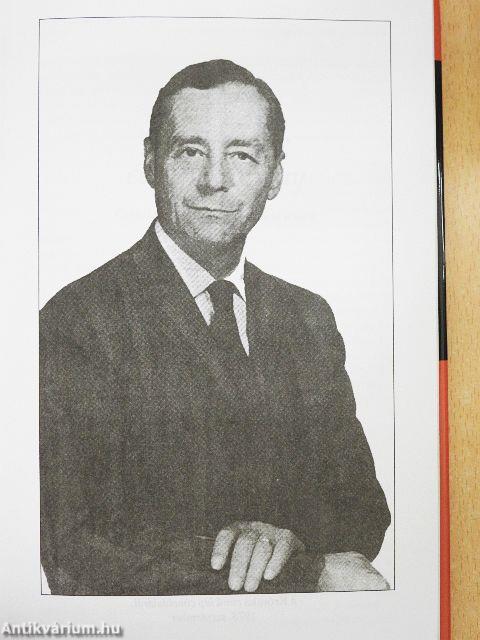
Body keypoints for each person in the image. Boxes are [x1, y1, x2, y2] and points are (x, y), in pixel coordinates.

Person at [40, 59, 391, 596]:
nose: (214, 180)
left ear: (275, 176)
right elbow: (74, 547)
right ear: (150, 163)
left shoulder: (307, 318)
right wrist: (300, 571)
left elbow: (362, 512)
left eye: (242, 155)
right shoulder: (78, 321)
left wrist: (288, 538)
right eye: (190, 151)